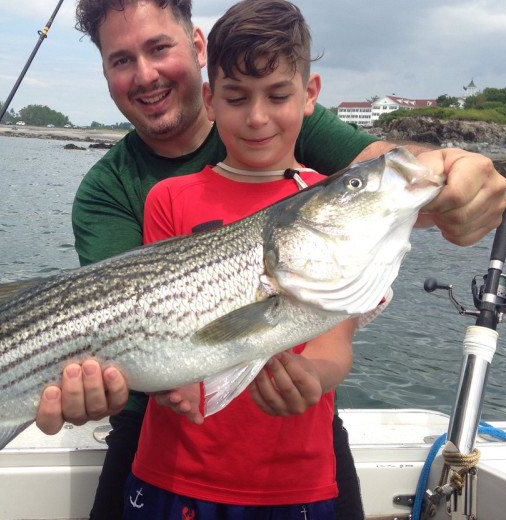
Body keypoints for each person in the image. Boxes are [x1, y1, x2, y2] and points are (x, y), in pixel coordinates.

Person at [35, 1, 506, 518]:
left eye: (158, 48)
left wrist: (451, 171)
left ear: (196, 48)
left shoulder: (285, 128)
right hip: (165, 434)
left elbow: (380, 170)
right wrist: (162, 384)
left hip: (295, 453)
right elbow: (129, 328)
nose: (145, 74)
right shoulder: (120, 192)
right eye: (121, 59)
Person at [123, 1, 354, 517]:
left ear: (310, 95)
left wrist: (312, 376)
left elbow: (337, 345)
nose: (256, 117)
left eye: (278, 96)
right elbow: (149, 324)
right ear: (209, 100)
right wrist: (169, 380)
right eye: (235, 97)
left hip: (295, 480)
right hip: (175, 470)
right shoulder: (169, 198)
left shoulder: (334, 206)